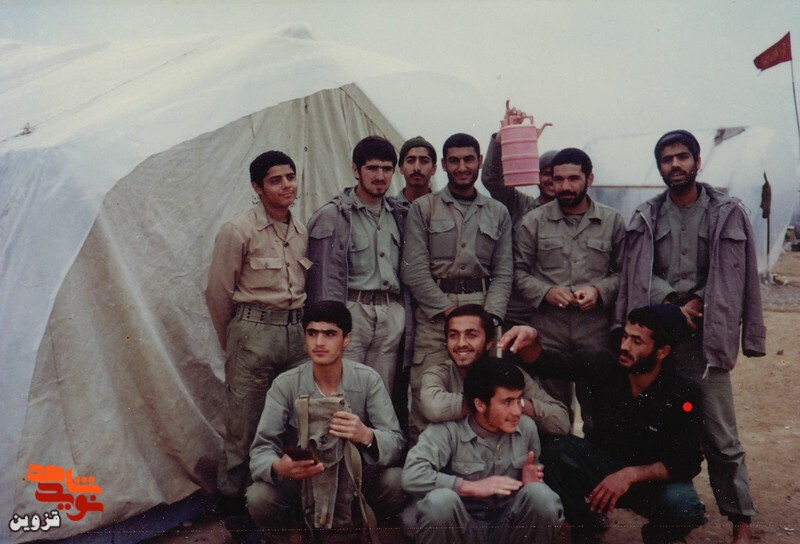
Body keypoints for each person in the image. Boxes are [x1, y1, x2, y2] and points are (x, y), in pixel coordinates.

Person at [614, 129, 766, 544]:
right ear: (660, 167)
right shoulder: (646, 215)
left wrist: (700, 301)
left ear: (698, 162)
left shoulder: (728, 212)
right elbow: (637, 273)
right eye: (667, 159)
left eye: (682, 157)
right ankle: (672, 513)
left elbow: (740, 275)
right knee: (657, 428)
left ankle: (740, 520)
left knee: (721, 436)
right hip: (659, 343)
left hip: (706, 341)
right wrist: (669, 303)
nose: (675, 165)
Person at [519, 305, 707, 544]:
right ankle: (584, 531)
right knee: (555, 450)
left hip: (650, 482)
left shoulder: (684, 393)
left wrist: (630, 475)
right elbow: (546, 362)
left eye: (637, 341)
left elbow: (688, 461)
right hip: (601, 469)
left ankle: (657, 537)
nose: (625, 346)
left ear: (662, 351)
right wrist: (529, 339)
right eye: (625, 336)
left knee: (684, 507)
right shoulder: (606, 366)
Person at [247, 301, 406, 542]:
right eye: (312, 333)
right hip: (304, 484)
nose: (319, 342)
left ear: (347, 339)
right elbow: (261, 449)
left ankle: (360, 529)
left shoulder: (367, 380)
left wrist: (367, 436)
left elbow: (396, 440)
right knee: (259, 496)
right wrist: (279, 466)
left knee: (397, 481)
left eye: (330, 334)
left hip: (352, 484)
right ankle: (294, 536)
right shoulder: (286, 384)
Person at [206, 150, 311, 499]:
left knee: (295, 417)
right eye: (275, 180)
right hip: (253, 333)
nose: (286, 186)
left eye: (290, 177)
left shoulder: (300, 230)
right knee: (244, 421)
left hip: (295, 333)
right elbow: (218, 293)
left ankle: (277, 500)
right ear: (257, 187)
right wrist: (237, 341)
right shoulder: (238, 230)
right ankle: (234, 501)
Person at [401, 132, 513, 442]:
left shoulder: (497, 212)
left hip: (483, 307)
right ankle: (424, 461)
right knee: (428, 390)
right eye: (454, 161)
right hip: (435, 314)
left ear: (480, 161)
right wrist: (448, 311)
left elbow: (504, 272)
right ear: (443, 165)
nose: (462, 167)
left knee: (488, 389)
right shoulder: (423, 208)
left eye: (468, 160)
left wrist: (490, 318)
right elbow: (414, 271)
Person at [513, 147, 626, 438]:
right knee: (551, 415)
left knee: (599, 413)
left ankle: (598, 465)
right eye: (558, 179)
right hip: (548, 332)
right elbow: (517, 273)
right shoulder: (533, 222)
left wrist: (599, 291)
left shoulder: (612, 221)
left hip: (595, 332)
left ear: (589, 179)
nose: (565, 186)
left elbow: (625, 273)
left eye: (573, 178)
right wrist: (546, 292)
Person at [402, 359, 564, 544]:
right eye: (507, 402)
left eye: (519, 399)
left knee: (541, 496)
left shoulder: (526, 427)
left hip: (507, 526)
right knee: (440, 501)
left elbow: (535, 501)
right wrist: (468, 487)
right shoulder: (446, 430)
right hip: (461, 528)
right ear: (480, 405)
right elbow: (412, 476)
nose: (517, 411)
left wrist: (528, 485)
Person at [306, 135, 408, 397]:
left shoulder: (400, 215)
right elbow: (320, 280)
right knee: (343, 392)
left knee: (380, 394)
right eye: (372, 168)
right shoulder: (333, 215)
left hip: (389, 314)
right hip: (351, 312)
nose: (380, 176)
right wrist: (331, 325)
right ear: (355, 170)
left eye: (387, 169)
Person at [418, 304, 570, 437]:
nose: (461, 343)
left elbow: (562, 422)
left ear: (489, 343)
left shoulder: (508, 372)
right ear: (445, 342)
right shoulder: (437, 374)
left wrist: (518, 403)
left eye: (471, 335)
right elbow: (434, 408)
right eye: (453, 335)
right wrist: (494, 402)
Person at [482, 102, 559, 327]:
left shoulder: (577, 218)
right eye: (546, 173)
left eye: (558, 174)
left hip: (556, 311)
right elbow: (492, 180)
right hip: (518, 309)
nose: (551, 180)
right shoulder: (519, 205)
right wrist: (505, 135)